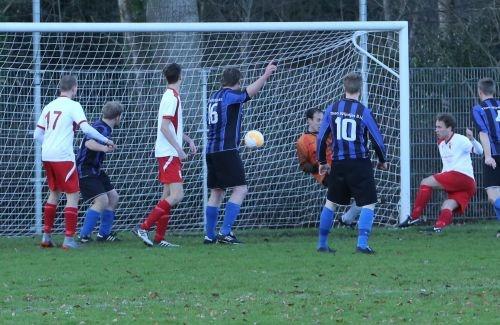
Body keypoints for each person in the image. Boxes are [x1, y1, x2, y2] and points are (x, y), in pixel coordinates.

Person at [33, 75, 114, 249]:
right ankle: (69, 239)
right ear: (74, 88)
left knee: (54, 193)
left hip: (47, 155)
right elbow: (86, 128)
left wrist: (50, 143)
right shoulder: (74, 106)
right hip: (63, 156)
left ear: (59, 87)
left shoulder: (49, 105)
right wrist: (105, 140)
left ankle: (46, 237)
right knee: (73, 195)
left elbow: (37, 135)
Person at [203, 61, 277, 244]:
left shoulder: (214, 96)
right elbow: (248, 93)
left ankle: (209, 235)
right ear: (239, 81)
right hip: (226, 150)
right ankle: (226, 232)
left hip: (211, 150)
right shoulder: (230, 95)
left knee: (217, 191)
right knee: (241, 189)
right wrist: (266, 75)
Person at [316, 72, 388, 254]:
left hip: (339, 163)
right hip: (359, 163)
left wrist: (322, 161)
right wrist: (382, 160)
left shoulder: (331, 109)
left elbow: (321, 137)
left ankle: (322, 244)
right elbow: (376, 139)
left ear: (344, 88)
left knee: (330, 203)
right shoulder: (364, 111)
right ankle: (362, 244)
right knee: (368, 203)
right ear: (360, 90)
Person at [133, 63, 196, 247]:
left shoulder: (172, 96)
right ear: (181, 77)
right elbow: (163, 127)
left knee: (167, 196)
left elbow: (171, 127)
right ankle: (143, 227)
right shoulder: (171, 97)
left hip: (168, 151)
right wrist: (178, 149)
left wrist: (188, 140)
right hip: (169, 153)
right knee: (177, 195)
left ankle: (159, 238)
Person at [399, 114, 483, 232]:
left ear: (449, 128)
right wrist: (442, 175)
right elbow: (447, 165)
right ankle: (438, 228)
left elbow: (480, 151)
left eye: (439, 127)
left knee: (426, 182)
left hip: (462, 177)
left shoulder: (460, 139)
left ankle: (414, 217)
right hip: (467, 185)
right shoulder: (441, 143)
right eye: (436, 127)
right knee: (447, 205)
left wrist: (472, 139)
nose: (436, 130)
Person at [296, 107, 361, 226]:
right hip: (326, 175)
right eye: (318, 120)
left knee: (362, 195)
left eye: (323, 119)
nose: (321, 123)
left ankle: (346, 220)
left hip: (342, 167)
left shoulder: (330, 132)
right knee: (361, 193)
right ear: (309, 121)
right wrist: (320, 167)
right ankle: (330, 230)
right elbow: (304, 165)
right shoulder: (303, 141)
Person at [76, 101, 123, 243]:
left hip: (95, 169)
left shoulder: (102, 126)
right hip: (85, 169)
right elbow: (88, 143)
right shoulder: (101, 128)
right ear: (117, 117)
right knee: (102, 201)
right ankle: (83, 235)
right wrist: (104, 148)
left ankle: (104, 234)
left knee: (113, 197)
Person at [470, 78, 500, 224]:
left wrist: (488, 156)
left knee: (493, 195)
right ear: (493, 91)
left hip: (494, 154)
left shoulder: (478, 109)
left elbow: (483, 132)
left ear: (479, 91)